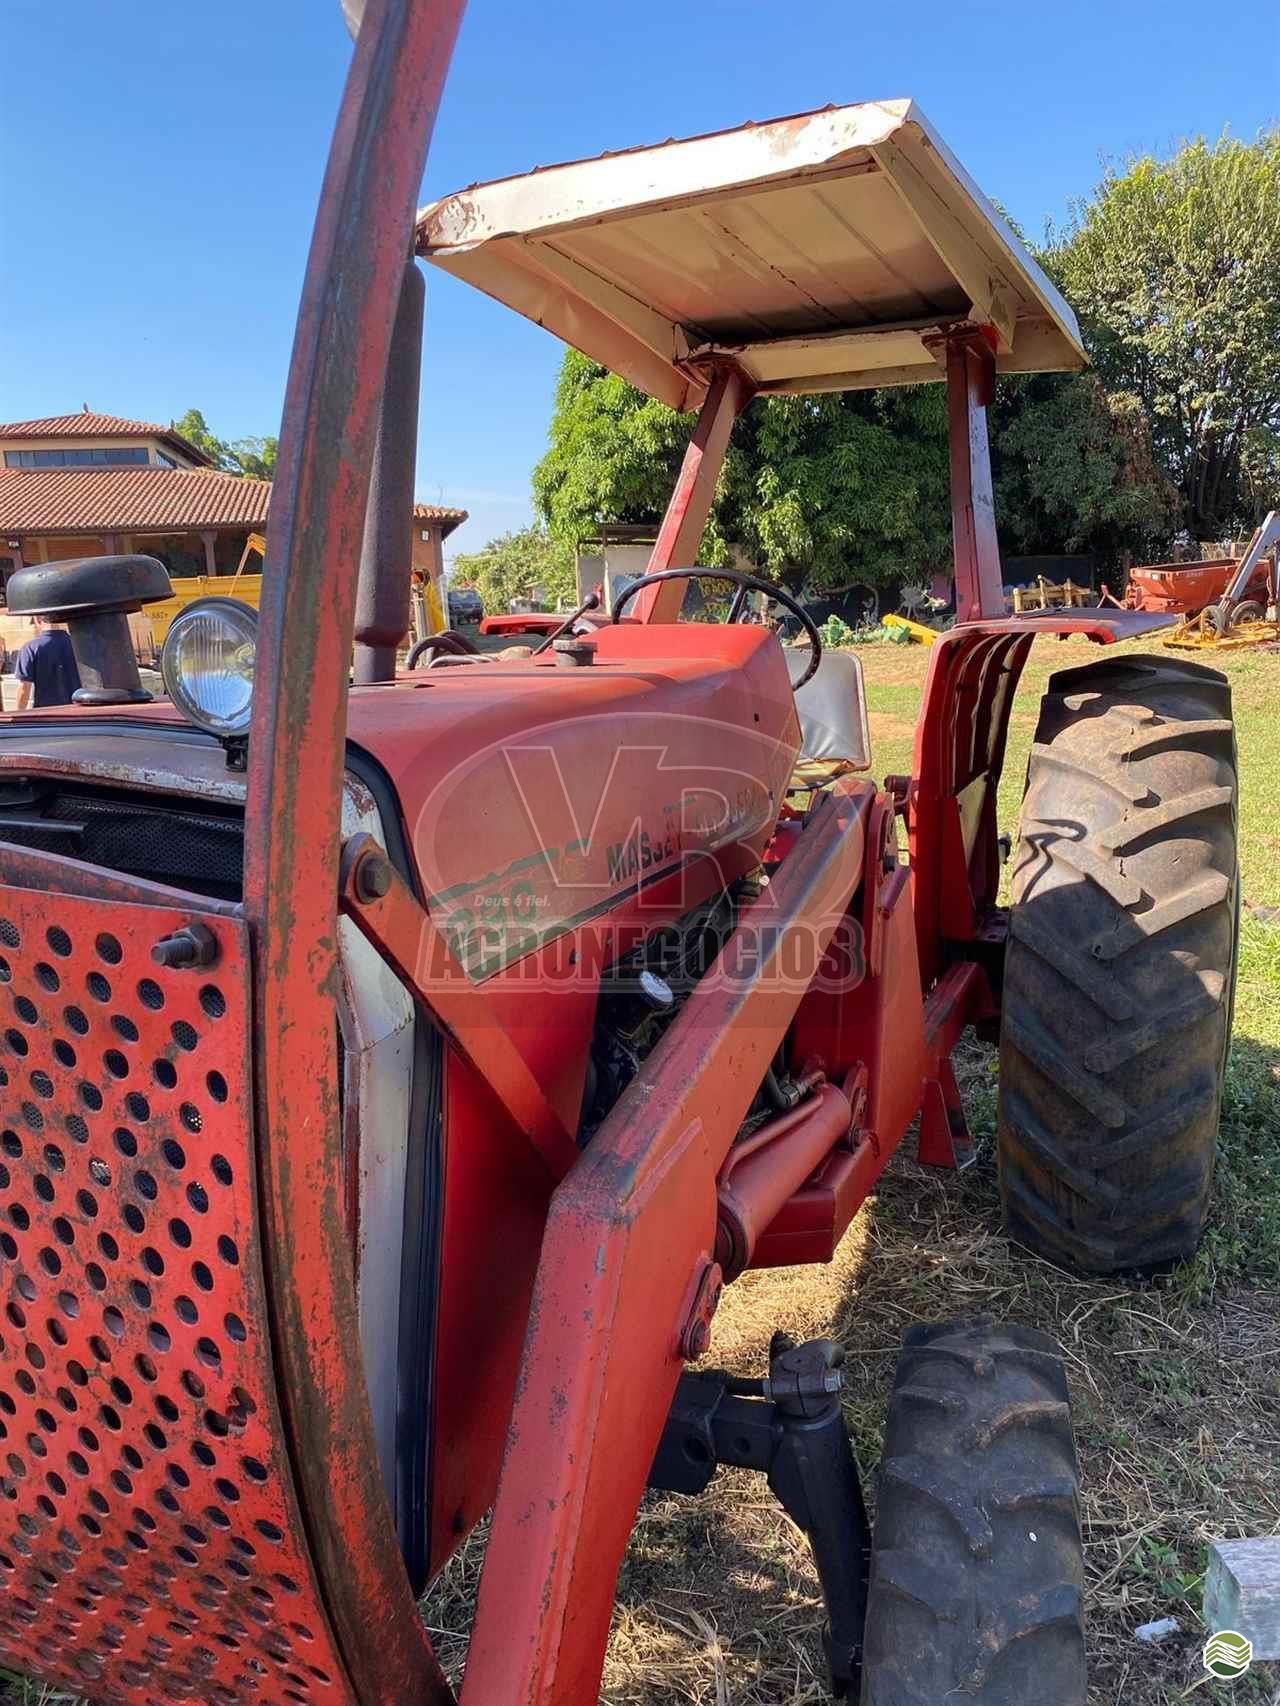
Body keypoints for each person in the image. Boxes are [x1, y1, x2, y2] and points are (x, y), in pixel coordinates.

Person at [13, 614, 81, 710]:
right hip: (78, 711)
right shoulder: (80, 645)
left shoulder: (30, 648)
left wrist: (18, 714)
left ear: (38, 619)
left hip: (46, 713)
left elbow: (24, 688)